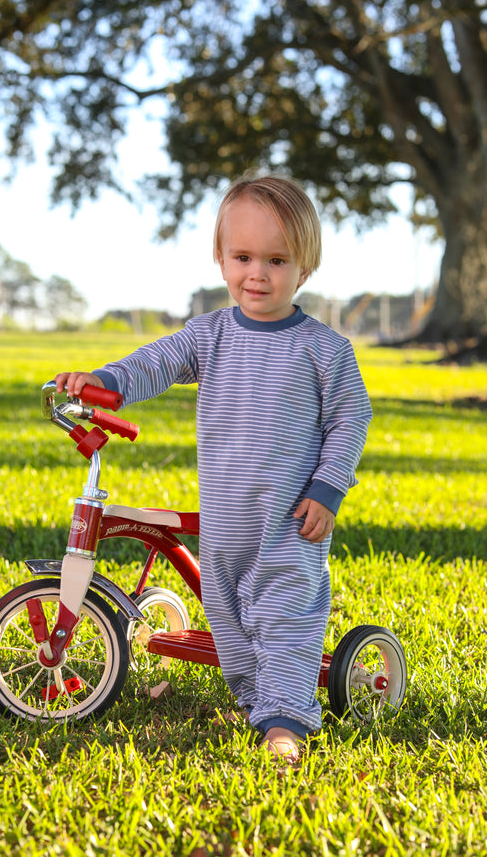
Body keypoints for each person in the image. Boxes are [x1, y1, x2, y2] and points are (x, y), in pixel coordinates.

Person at [56, 173, 372, 764]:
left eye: (277, 259)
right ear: (221, 259)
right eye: (243, 256)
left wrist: (327, 490)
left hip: (287, 517)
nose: (258, 273)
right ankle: (257, 697)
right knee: (227, 619)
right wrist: (107, 381)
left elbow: (350, 421)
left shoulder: (324, 350)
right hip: (225, 521)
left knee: (284, 614)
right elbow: (156, 362)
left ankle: (286, 719)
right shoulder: (211, 335)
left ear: (305, 268)